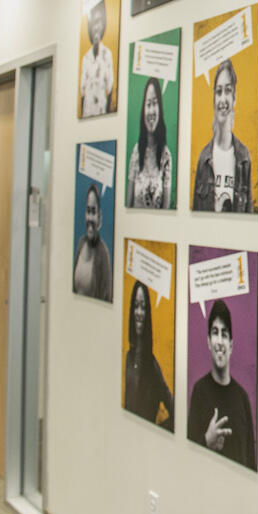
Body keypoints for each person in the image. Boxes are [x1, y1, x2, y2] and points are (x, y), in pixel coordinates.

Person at [187, 299, 255, 468]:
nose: (219, 341)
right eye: (215, 332)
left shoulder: (242, 398)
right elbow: (187, 459)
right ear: (208, 341)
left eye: (224, 334)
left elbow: (251, 463)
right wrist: (206, 442)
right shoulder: (199, 392)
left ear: (231, 345)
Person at [192, 58, 253, 213]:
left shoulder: (244, 157)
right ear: (214, 98)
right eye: (219, 91)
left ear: (234, 97)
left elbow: (249, 216)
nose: (223, 99)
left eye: (228, 90)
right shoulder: (203, 159)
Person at [124, 280, 173, 428]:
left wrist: (159, 431)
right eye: (136, 306)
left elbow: (174, 408)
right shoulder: (128, 357)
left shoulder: (152, 365)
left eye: (143, 308)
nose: (139, 313)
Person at [127, 77, 172, 209]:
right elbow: (128, 206)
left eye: (155, 103)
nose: (151, 111)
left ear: (160, 109)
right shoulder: (136, 153)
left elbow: (166, 210)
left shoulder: (166, 157)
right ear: (143, 110)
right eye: (148, 104)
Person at [72, 183, 112, 301]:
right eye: (88, 211)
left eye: (93, 212)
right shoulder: (81, 244)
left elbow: (106, 298)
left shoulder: (103, 254)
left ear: (99, 217)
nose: (89, 217)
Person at [79, 1, 114, 117]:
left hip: (101, 112)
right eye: (93, 22)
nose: (96, 27)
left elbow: (110, 89)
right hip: (87, 114)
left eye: (99, 21)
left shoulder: (107, 55)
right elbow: (82, 94)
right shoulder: (85, 58)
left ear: (103, 23)